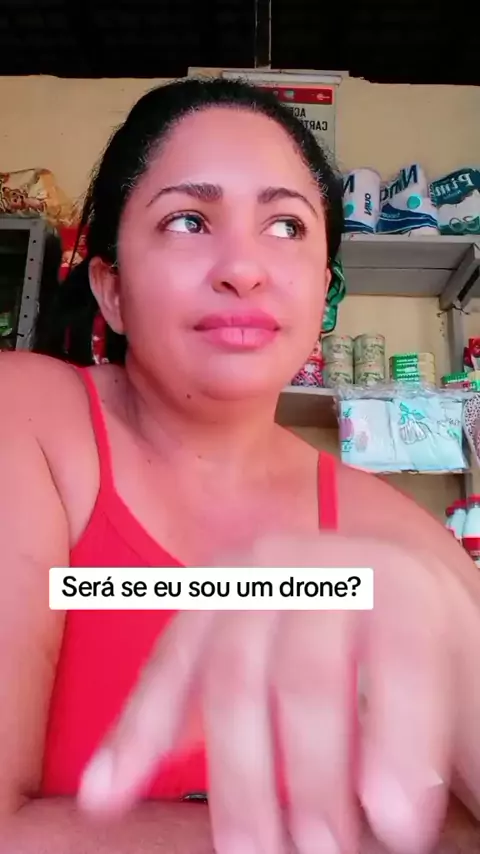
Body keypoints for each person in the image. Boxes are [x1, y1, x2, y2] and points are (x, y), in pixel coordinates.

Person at [0, 77, 478, 854]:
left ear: (323, 289)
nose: (244, 269)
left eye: (286, 226)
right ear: (111, 289)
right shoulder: (25, 417)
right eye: (188, 220)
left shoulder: (393, 535)